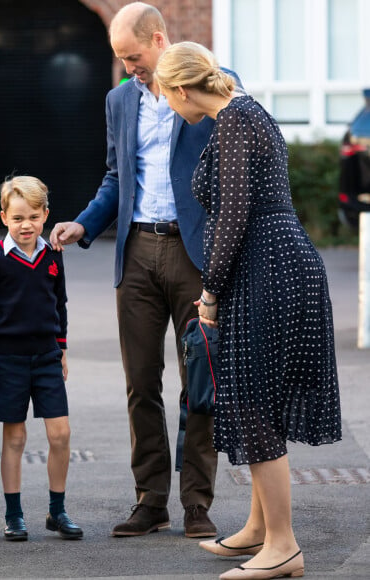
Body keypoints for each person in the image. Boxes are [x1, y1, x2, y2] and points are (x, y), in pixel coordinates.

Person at [50, 2, 239, 538]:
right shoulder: (118, 99)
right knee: (140, 382)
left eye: (131, 56)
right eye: (119, 59)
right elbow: (115, 176)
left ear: (158, 39)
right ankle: (150, 500)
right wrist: (84, 225)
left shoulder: (213, 83)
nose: (126, 67)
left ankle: (197, 503)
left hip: (194, 253)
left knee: (198, 378)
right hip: (136, 252)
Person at [155, 42, 341, 580]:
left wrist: (210, 291)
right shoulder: (246, 111)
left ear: (183, 89)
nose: (169, 107)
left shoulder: (235, 121)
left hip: (267, 269)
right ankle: (260, 529)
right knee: (256, 397)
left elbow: (233, 216)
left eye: (168, 96)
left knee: (255, 400)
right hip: (276, 264)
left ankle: (283, 546)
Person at [0, 175, 83, 542]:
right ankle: (14, 514)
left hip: (47, 357)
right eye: (18, 217)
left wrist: (62, 347)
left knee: (61, 434)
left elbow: (59, 303)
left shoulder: (52, 257)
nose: (26, 225)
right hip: (7, 360)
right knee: (15, 437)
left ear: (45, 215)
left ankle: (57, 510)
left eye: (33, 216)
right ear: (4, 217)